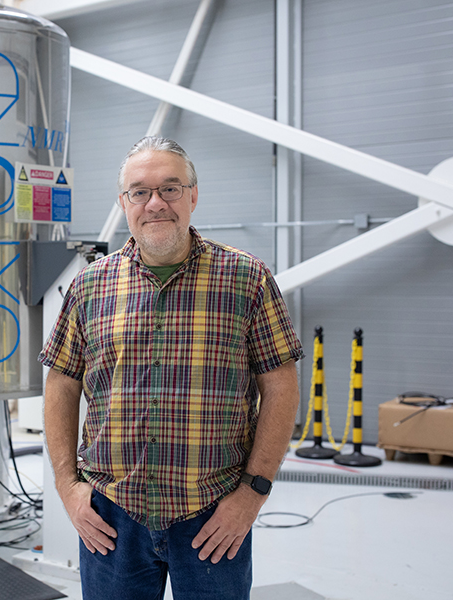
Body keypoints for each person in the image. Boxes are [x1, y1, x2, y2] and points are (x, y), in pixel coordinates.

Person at [39, 136, 304, 600]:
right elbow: (62, 383)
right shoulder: (89, 287)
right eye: (139, 191)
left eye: (171, 188)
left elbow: (280, 387)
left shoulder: (246, 279)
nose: (155, 203)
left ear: (193, 195)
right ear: (124, 202)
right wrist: (67, 486)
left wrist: (252, 495)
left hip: (213, 514)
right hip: (112, 518)